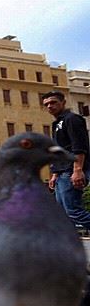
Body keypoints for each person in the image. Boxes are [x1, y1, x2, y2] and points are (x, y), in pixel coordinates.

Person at [42, 90, 90, 229]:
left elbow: (79, 146)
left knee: (74, 212)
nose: (49, 106)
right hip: (61, 172)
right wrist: (54, 174)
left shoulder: (72, 119)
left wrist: (78, 170)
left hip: (70, 171)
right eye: (46, 104)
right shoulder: (57, 123)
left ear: (63, 103)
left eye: (53, 102)